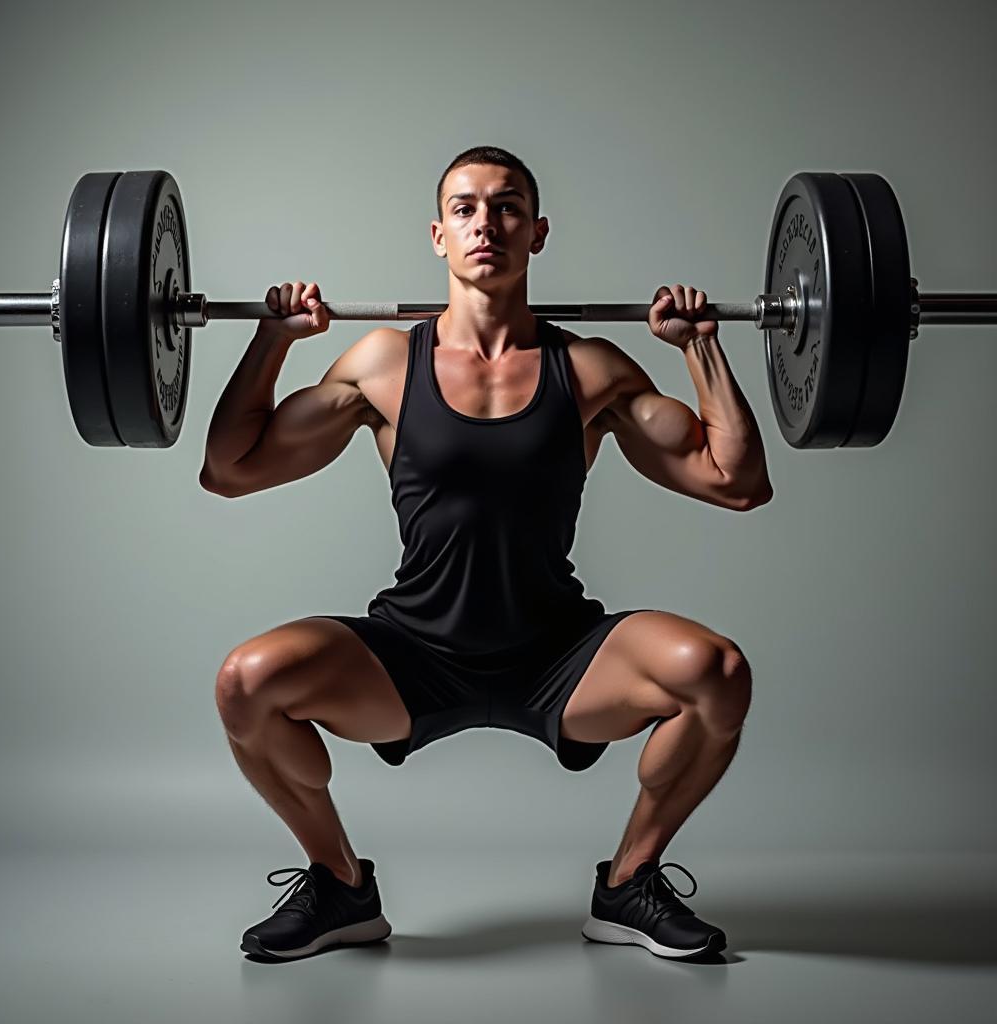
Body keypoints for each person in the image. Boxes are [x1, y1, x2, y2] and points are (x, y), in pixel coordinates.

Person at [201, 145, 773, 963]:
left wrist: (701, 347)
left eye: (507, 207)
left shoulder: (589, 370)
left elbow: (736, 481)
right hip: (413, 653)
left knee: (716, 674)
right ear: (438, 236)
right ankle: (338, 885)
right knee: (245, 684)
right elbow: (230, 469)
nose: (486, 223)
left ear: (537, 233)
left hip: (559, 654)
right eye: (465, 208)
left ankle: (630, 884)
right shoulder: (384, 366)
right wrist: (272, 342)